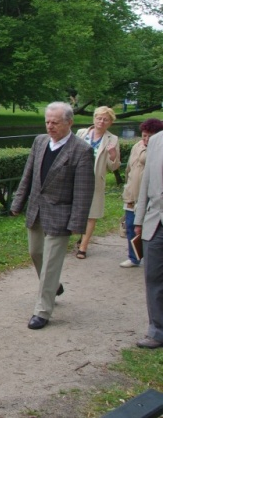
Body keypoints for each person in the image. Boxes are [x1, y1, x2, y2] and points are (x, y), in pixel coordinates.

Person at [10, 102, 95, 330]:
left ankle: (42, 310)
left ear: (70, 123)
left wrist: (77, 223)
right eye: (47, 122)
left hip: (60, 215)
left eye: (55, 123)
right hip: (36, 210)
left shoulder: (82, 150)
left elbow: (84, 190)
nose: (50, 126)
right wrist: (18, 202)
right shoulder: (39, 142)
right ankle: (53, 285)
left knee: (49, 264)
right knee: (35, 253)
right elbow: (28, 174)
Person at [73, 106, 121, 259]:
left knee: (91, 214)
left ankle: (83, 247)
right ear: (94, 118)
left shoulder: (112, 139)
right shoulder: (81, 133)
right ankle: (81, 235)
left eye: (105, 119)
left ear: (110, 123)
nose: (101, 121)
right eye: (99, 118)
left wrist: (113, 155)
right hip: (77, 178)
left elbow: (113, 166)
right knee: (77, 210)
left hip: (95, 181)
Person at [133, 129, 163, 349]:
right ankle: (157, 331)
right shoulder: (156, 140)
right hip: (156, 221)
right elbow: (146, 182)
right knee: (153, 278)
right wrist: (139, 219)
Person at [119, 118, 163, 267]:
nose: (146, 139)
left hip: (148, 198)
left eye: (149, 136)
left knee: (150, 229)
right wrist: (127, 187)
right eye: (144, 135)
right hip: (132, 194)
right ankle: (134, 257)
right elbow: (129, 169)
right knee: (131, 226)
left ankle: (152, 256)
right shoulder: (137, 147)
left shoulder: (158, 149)